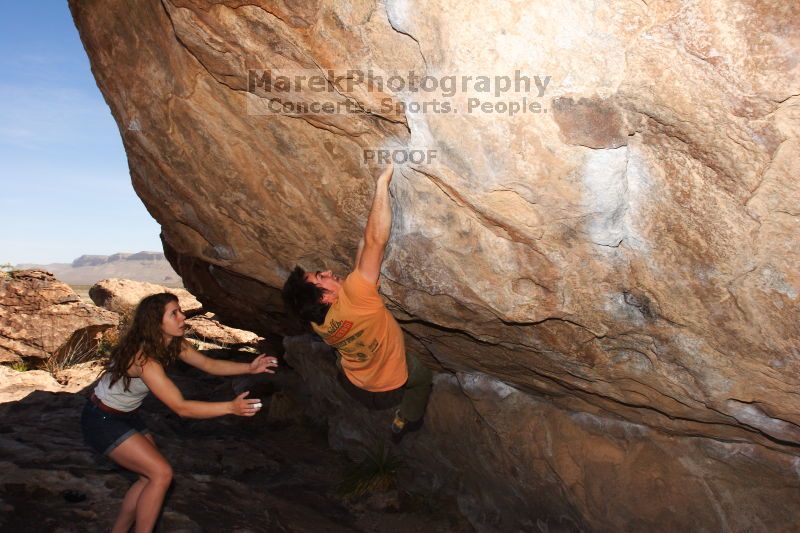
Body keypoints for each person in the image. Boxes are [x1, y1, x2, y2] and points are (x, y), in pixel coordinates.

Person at [80, 292, 277, 533]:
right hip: (102, 419)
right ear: (156, 322)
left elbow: (208, 364)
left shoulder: (172, 342)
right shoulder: (144, 359)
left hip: (126, 415)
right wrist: (230, 407)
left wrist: (250, 367)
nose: (182, 316)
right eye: (174, 313)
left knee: (148, 477)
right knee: (161, 474)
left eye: (180, 310)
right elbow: (181, 407)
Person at [282, 163, 433, 442]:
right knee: (422, 377)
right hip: (391, 381)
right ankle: (407, 418)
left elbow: (361, 262)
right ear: (325, 297)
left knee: (342, 354)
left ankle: (354, 368)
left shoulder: (317, 322)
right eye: (320, 277)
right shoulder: (356, 296)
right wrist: (381, 185)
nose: (327, 271)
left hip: (356, 380)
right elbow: (376, 241)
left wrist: (367, 230)